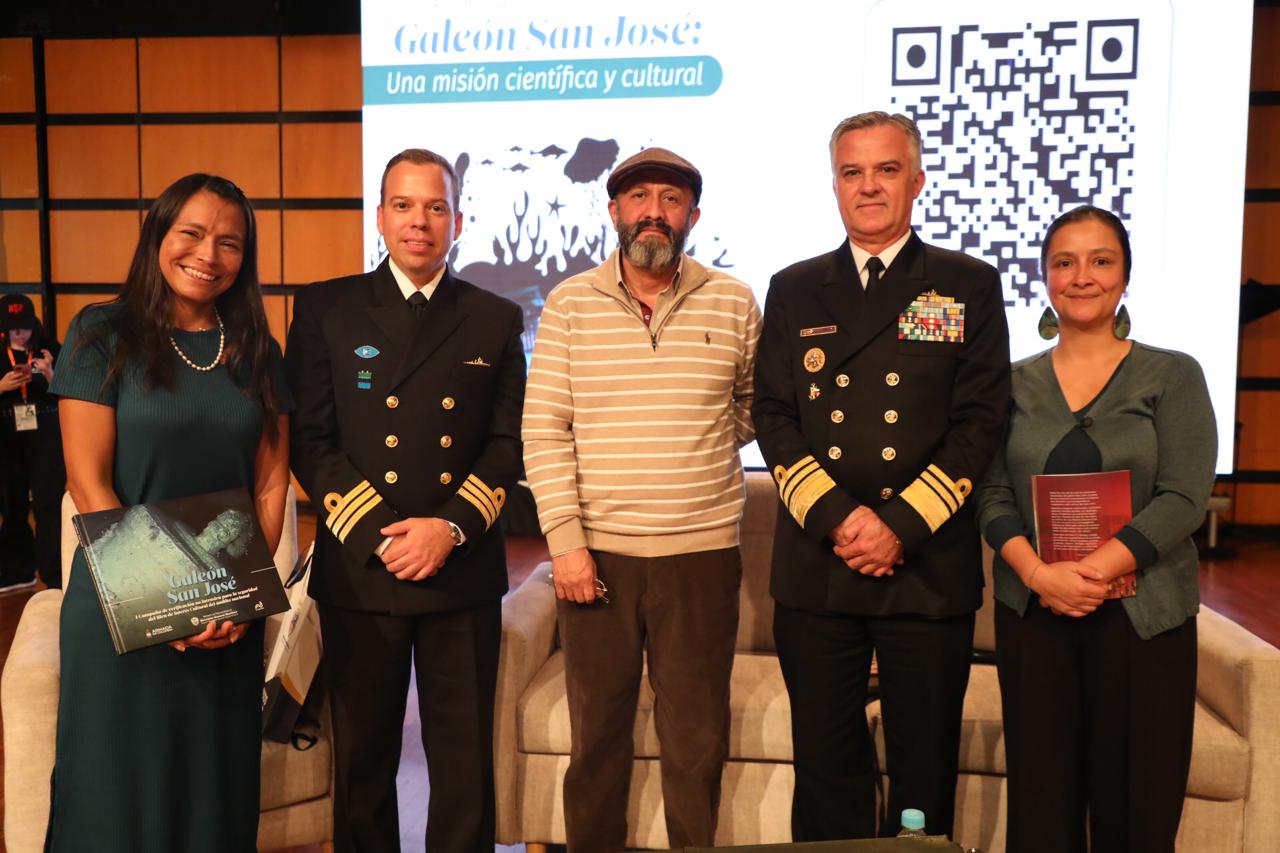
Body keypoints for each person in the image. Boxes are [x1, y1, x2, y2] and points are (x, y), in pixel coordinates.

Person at [752, 111, 1011, 840]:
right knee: (826, 765)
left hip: (924, 566)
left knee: (923, 771)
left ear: (918, 180)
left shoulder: (966, 284)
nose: (869, 187)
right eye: (852, 171)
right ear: (834, 184)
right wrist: (840, 517)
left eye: (887, 169)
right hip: (818, 566)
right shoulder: (795, 287)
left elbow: (981, 421)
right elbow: (772, 414)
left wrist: (897, 526)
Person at [286, 147, 526, 852]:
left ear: (458, 219)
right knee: (362, 763)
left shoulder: (494, 317)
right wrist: (385, 534)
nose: (419, 220)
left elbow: (506, 444)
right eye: (404, 204)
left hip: (461, 566)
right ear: (380, 215)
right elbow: (311, 438)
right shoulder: (327, 307)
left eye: (436, 206)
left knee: (465, 765)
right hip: (364, 567)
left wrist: (448, 528)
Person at [522, 147, 761, 852]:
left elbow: (750, 408)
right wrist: (565, 544)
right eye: (639, 197)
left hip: (702, 555)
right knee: (597, 739)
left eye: (671, 198)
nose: (654, 210)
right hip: (598, 559)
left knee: (695, 740)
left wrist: (692, 437)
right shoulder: (569, 302)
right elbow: (544, 428)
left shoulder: (735, 299)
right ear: (614, 210)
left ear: (692, 214)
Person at [47, 173, 292, 852]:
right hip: (122, 614)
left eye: (230, 242)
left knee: (213, 803)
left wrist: (234, 607)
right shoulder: (102, 332)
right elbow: (89, 482)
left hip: (225, 626)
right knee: (116, 806)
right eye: (190, 233)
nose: (208, 254)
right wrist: (171, 610)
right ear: (157, 233)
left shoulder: (256, 351)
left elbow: (270, 487)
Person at [976, 205, 1216, 853]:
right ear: (1045, 277)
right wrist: (1037, 573)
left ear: (1126, 276)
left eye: (1101, 260)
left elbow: (1186, 495)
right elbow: (992, 491)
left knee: (1137, 806)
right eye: (1064, 261)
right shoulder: (1010, 383)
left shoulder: (1173, 374)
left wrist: (1094, 570)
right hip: (1036, 612)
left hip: (1145, 619)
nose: (1082, 276)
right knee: (1041, 800)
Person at [0, 293, 65, 591]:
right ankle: (17, 571)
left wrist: (50, 373)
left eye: (24, 326)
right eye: (13, 327)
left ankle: (54, 574)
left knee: (49, 503)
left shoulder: (50, 347)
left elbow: (72, 391)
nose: (20, 332)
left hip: (45, 431)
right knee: (11, 502)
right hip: (7, 432)